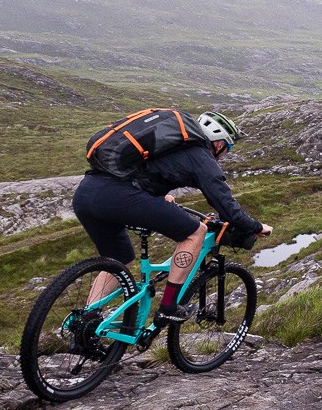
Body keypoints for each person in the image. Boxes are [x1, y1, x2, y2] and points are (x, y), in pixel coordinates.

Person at [71, 110, 269, 322]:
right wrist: (256, 227)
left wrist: (157, 194)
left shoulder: (172, 145)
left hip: (86, 193)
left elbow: (145, 171)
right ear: (219, 144)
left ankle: (87, 317)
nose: (225, 154)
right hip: (120, 197)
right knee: (196, 232)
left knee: (120, 260)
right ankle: (168, 307)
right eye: (228, 148)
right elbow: (225, 204)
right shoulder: (201, 155)